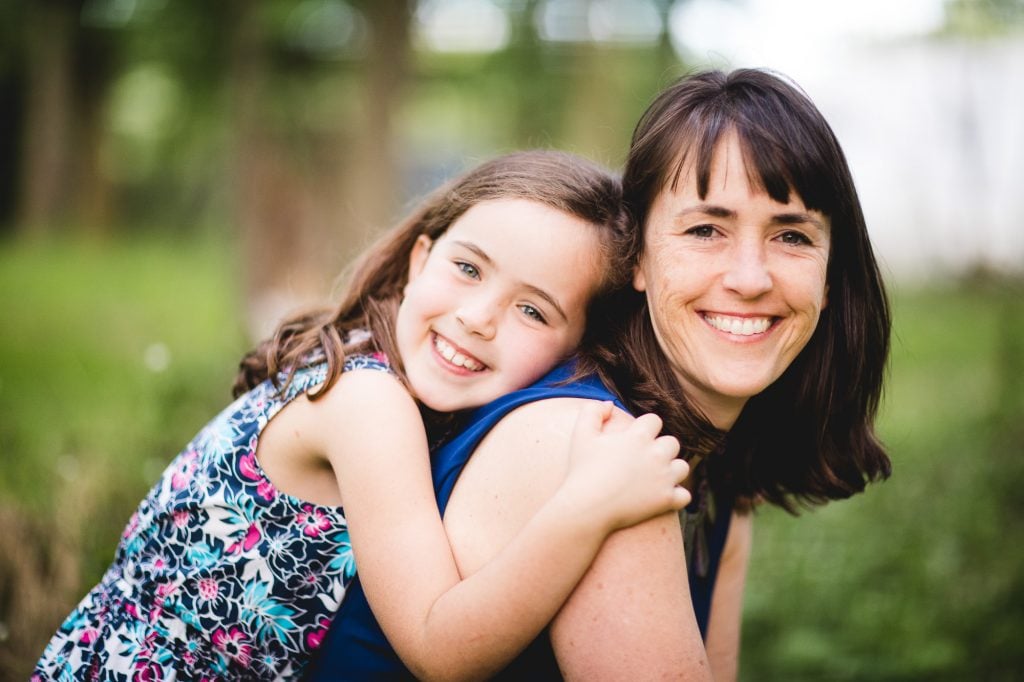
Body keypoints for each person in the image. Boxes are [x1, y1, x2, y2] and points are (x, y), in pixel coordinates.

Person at [307, 68, 892, 680]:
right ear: (636, 257)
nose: (750, 278)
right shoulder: (594, 448)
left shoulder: (723, 474)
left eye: (791, 235)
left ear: (830, 278)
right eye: (704, 230)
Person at [32, 151, 696, 681]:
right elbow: (440, 649)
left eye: (533, 310)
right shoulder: (366, 402)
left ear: (571, 349)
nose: (477, 317)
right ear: (420, 259)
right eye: (468, 269)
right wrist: (589, 505)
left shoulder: (369, 371)